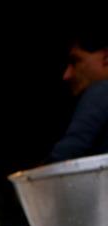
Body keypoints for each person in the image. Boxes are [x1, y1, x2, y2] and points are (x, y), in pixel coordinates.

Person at [50, 34, 108, 162]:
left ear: (106, 57)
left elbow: (64, 156)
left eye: (75, 61)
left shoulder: (102, 90)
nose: (67, 75)